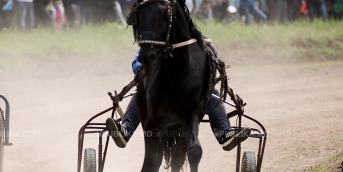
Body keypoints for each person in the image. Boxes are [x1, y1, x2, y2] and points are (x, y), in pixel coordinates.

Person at [105, 52, 252, 152]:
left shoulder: (192, 40)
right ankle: (126, 130)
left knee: (212, 92)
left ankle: (224, 133)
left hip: (187, 92)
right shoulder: (153, 41)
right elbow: (136, 62)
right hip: (159, 90)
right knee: (142, 91)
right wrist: (147, 68)